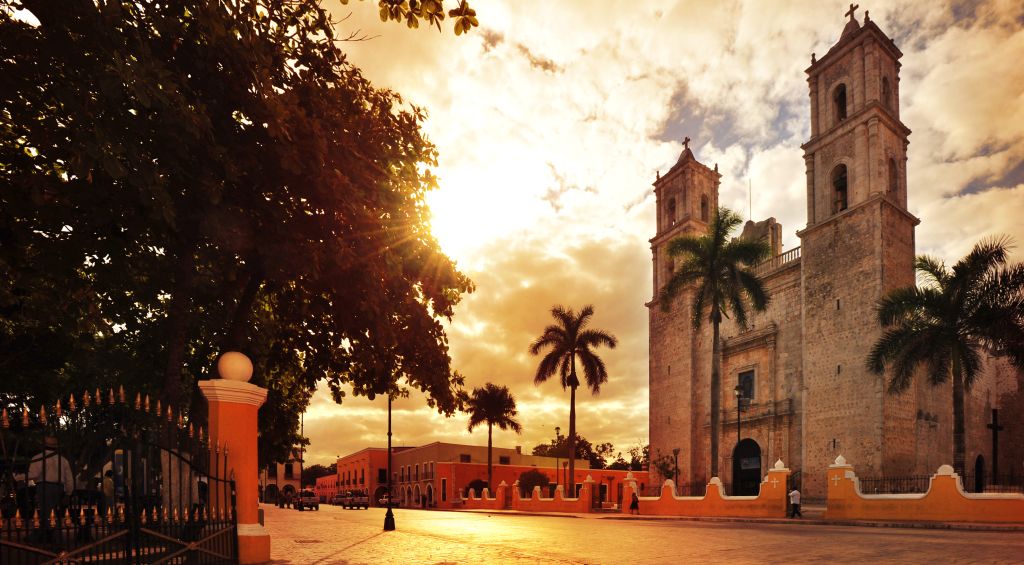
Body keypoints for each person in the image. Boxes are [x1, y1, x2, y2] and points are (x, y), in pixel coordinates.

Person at [28, 436, 74, 536]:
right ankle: (48, 533)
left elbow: (33, 474)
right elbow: (69, 479)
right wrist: (68, 494)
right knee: (54, 511)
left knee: (46, 511)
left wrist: (17, 476)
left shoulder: (38, 458)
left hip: (44, 486)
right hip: (59, 487)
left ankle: (48, 534)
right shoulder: (63, 460)